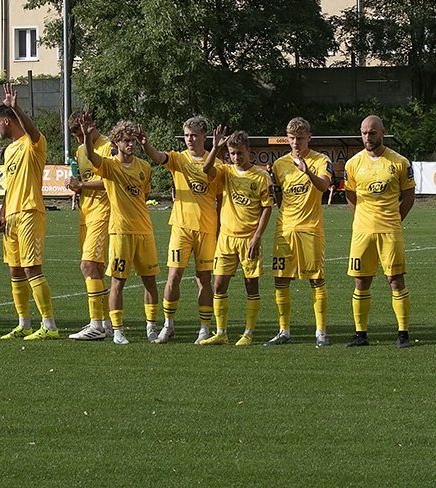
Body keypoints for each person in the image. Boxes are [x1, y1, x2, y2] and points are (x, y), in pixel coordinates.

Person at [139, 117, 220, 345]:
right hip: (181, 228)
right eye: (186, 135)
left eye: (194, 135)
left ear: (204, 137)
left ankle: (204, 328)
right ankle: (168, 325)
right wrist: (145, 145)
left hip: (206, 229)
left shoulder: (216, 164)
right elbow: (157, 156)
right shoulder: (177, 159)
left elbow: (215, 185)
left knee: (204, 279)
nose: (189, 140)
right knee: (173, 277)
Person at [80, 115, 160, 345]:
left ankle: (151, 328)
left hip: (144, 231)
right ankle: (117, 330)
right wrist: (86, 135)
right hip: (120, 232)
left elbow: (143, 194)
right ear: (116, 142)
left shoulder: (144, 167)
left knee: (150, 281)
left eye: (133, 140)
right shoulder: (110, 166)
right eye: (126, 140)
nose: (131, 144)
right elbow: (91, 156)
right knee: (118, 282)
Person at [0, 83, 59, 340]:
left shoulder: (33, 144)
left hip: (31, 211)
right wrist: (2, 213)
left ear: (7, 121)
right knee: (15, 270)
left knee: (32, 268)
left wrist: (16, 107)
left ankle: (50, 326)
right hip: (12, 215)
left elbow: (32, 132)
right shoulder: (9, 150)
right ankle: (24, 324)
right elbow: (10, 185)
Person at [344, 115, 415, 348]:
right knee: (360, 281)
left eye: (372, 132)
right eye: (364, 133)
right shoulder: (353, 164)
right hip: (362, 232)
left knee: (395, 280)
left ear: (383, 132)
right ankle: (360, 334)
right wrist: (363, 220)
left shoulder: (399, 162)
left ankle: (403, 333)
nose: (367, 137)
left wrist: (393, 220)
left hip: (390, 231)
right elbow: (350, 197)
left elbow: (409, 198)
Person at [199, 126, 273, 346]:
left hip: (248, 239)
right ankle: (221, 332)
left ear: (249, 151)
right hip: (226, 239)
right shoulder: (226, 171)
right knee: (219, 285)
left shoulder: (261, 177)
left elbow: (267, 207)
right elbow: (206, 168)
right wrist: (214, 148)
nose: (236, 157)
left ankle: (248, 333)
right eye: (232, 153)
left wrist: (257, 236)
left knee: (251, 286)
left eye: (240, 152)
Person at [266, 117, 332, 347]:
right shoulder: (279, 164)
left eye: (300, 139)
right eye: (292, 138)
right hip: (284, 229)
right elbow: (279, 197)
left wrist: (307, 172)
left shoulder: (320, 160)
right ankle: (284, 331)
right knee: (280, 280)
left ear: (309, 138)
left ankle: (321, 332)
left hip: (310, 230)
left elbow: (324, 186)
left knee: (316, 279)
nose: (296, 143)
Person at [66, 110, 113, 341]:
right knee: (95, 269)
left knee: (87, 266)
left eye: (80, 133)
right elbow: (83, 181)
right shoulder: (79, 150)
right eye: (75, 135)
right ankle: (105, 323)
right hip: (85, 214)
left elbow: (108, 181)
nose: (78, 139)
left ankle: (95, 325)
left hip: (102, 213)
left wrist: (82, 184)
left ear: (92, 126)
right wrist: (75, 186)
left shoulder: (107, 147)